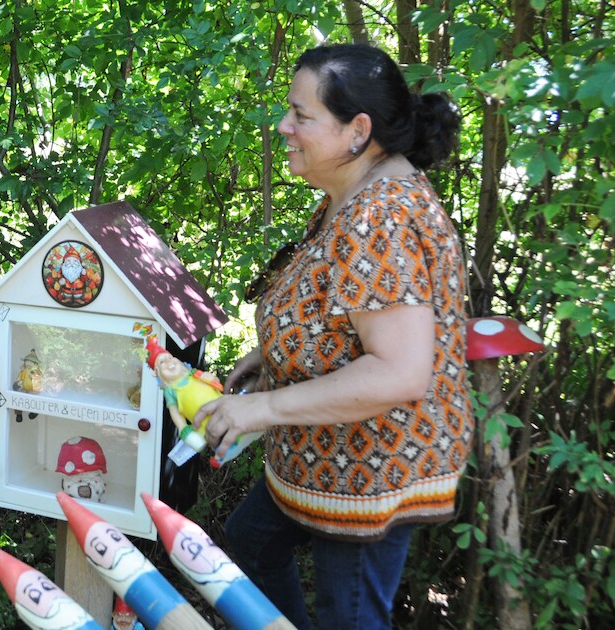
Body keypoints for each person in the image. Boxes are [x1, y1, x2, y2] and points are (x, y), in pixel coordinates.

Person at [196, 43, 468, 629]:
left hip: (367, 472)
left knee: (349, 617)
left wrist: (263, 408)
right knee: (252, 542)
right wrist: (274, 354)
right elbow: (343, 313)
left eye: (301, 115)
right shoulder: (354, 193)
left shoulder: (381, 218)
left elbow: (397, 371)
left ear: (357, 130)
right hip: (318, 455)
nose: (283, 125)